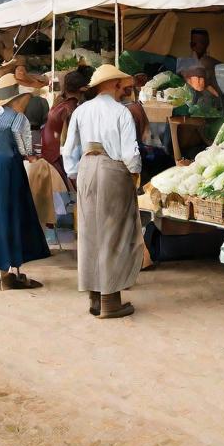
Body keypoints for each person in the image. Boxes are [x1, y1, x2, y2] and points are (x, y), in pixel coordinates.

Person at [62, 65, 143, 319]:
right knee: (115, 233)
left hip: (87, 168)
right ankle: (110, 300)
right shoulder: (121, 112)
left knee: (89, 233)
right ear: (114, 84)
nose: (124, 88)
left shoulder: (81, 111)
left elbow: (69, 148)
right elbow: (130, 154)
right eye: (121, 83)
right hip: (113, 169)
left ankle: (94, 298)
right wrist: (133, 175)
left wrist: (76, 172)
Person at [0, 74, 51, 290]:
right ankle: (11, 273)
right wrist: (32, 157)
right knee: (14, 215)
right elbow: (25, 150)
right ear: (18, 98)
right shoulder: (18, 118)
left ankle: (4, 271)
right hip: (11, 168)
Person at [40, 67, 92, 186]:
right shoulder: (71, 108)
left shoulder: (59, 102)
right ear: (83, 89)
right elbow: (69, 140)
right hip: (57, 158)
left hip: (48, 153)